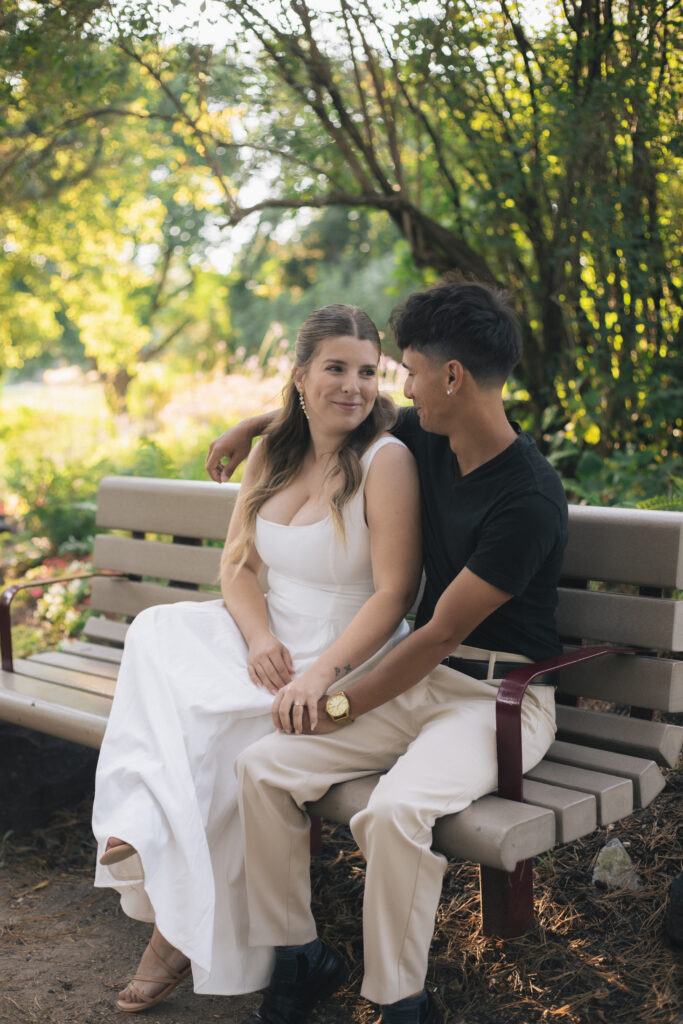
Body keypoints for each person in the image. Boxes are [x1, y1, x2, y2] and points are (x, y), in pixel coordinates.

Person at [206, 280, 568, 1024]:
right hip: (422, 686)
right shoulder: (424, 441)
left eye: (405, 368)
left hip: (499, 702)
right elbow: (334, 407)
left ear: (451, 376)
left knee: (395, 811)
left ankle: (401, 1000)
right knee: (263, 767)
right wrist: (254, 424)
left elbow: (436, 631)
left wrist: (334, 700)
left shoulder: (527, 498)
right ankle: (299, 954)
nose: (395, 385)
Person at [91, 304, 421, 1013]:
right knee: (156, 631)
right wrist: (261, 637)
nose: (353, 386)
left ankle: (172, 932)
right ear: (300, 375)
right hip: (268, 632)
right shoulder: (274, 450)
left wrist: (317, 668)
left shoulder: (385, 461)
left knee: (231, 728)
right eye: (335, 368)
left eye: (367, 371)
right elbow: (237, 568)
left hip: (344, 650)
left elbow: (393, 595)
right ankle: (142, 823)